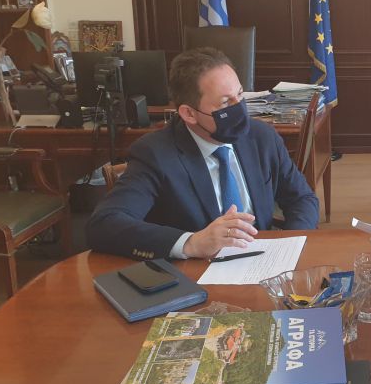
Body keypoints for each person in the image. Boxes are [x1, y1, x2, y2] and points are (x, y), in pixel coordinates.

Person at [87, 47, 319, 260]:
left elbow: (302, 198)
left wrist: (290, 244)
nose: (239, 108)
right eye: (225, 103)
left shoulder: (262, 138)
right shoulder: (155, 154)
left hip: (263, 263)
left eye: (240, 95)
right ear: (189, 114)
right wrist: (191, 243)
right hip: (196, 273)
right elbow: (104, 225)